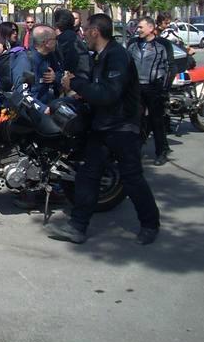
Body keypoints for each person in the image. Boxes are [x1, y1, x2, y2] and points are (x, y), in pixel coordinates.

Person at [50, 14, 160, 245]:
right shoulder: (101, 56)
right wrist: (80, 88)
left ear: (94, 32)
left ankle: (150, 224)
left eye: (86, 29)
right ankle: (78, 227)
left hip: (122, 127)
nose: (83, 34)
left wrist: (77, 85)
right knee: (88, 175)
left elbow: (108, 94)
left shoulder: (117, 56)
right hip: (102, 125)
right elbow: (96, 88)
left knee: (132, 178)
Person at [128, 16, 175, 166]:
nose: (138, 30)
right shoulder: (133, 43)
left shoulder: (163, 44)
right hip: (136, 88)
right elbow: (126, 63)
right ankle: (135, 149)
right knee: (136, 120)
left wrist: (164, 88)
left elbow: (170, 67)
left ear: (151, 28)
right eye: (138, 27)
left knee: (157, 121)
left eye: (141, 27)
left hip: (154, 87)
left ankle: (161, 151)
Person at [10, 25, 61, 105]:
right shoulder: (24, 59)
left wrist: (55, 77)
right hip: (30, 110)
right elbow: (21, 90)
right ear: (46, 43)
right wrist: (41, 108)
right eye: (55, 39)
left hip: (47, 103)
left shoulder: (50, 55)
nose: (56, 42)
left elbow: (60, 73)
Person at [53, 8, 91, 81]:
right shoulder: (75, 37)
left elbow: (64, 64)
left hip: (74, 81)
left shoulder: (63, 40)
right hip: (84, 77)